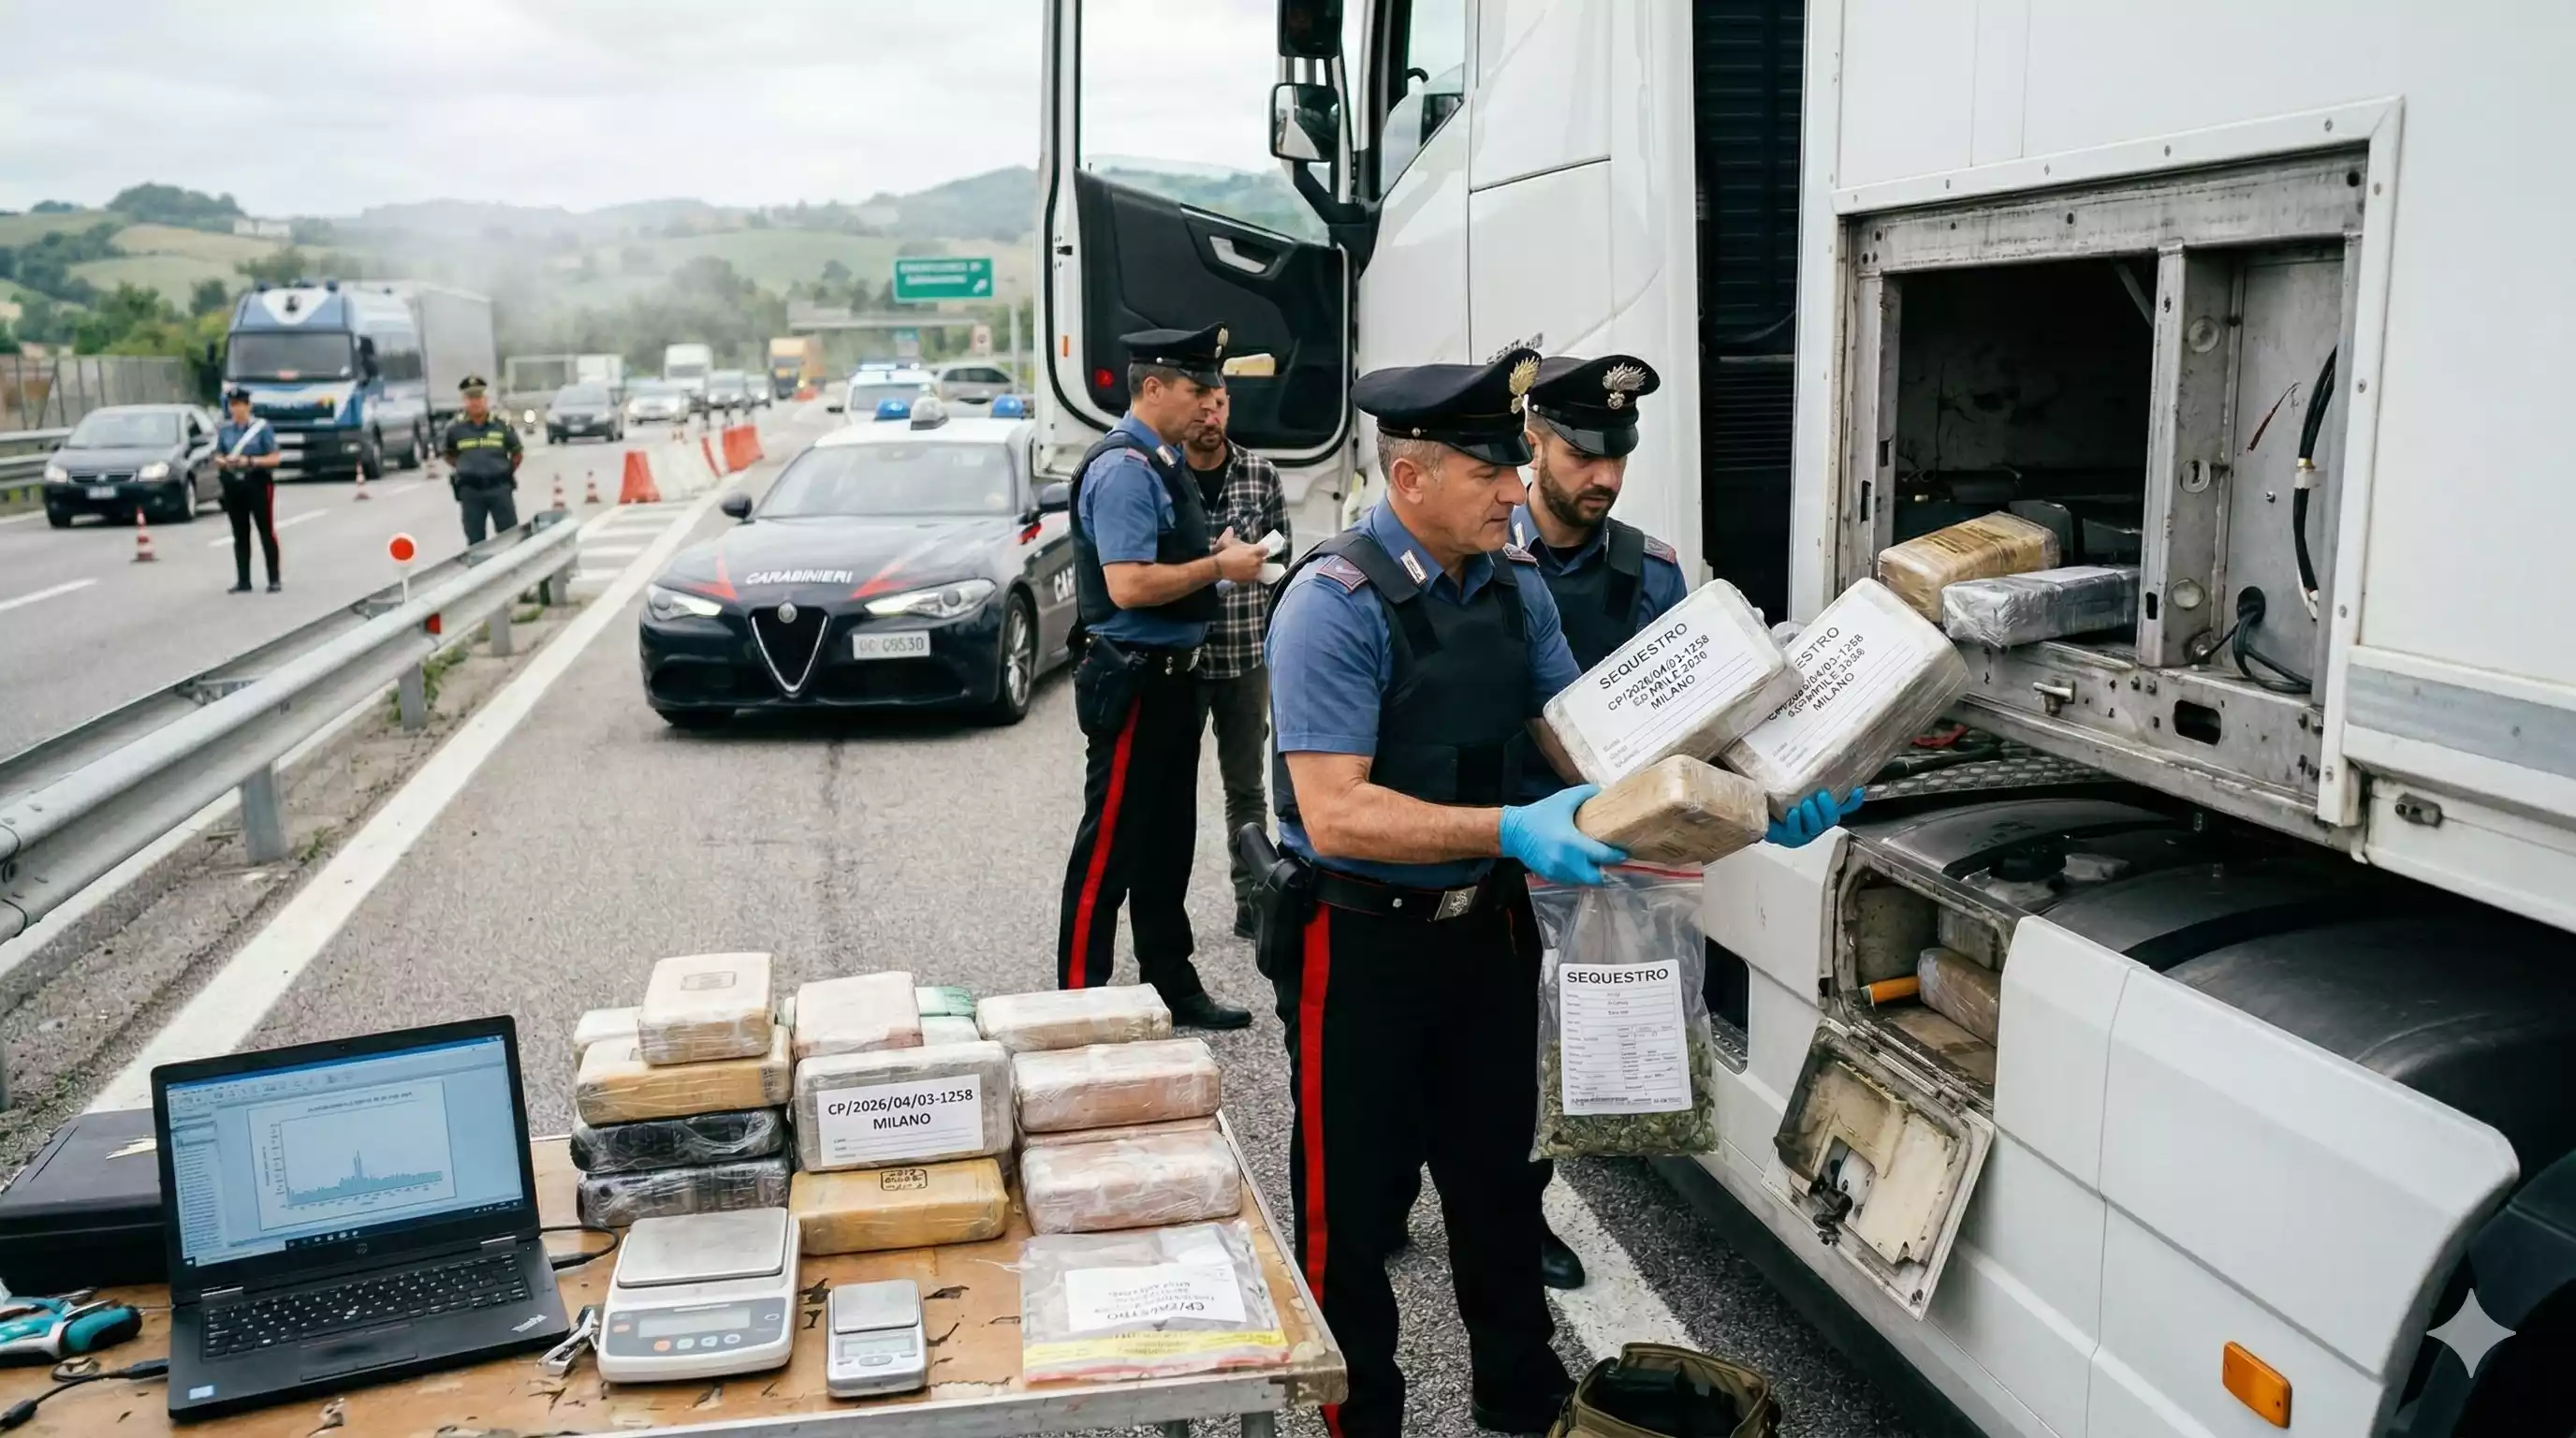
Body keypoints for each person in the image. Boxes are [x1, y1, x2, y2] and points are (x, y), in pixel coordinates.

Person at [1257, 350, 1859, 1437]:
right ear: (1411, 480)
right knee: (1345, 1216)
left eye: (1510, 465)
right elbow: (1336, 811)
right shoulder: (1333, 605)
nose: (1511, 490)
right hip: (1358, 947)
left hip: (1487, 934)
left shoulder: (1514, 585)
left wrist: (1757, 794)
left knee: (1500, 1183)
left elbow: (1589, 748)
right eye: (1489, 471)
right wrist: (1509, 828)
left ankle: (1522, 1405)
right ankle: (1363, 1422)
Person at [1056, 325, 1267, 1032]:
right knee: (1109, 845)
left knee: (1167, 843)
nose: (1208, 402)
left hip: (1175, 678)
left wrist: (1210, 552)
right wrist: (1219, 567)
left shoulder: (1161, 459)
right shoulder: (1125, 468)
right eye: (1196, 389)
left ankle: (1171, 984)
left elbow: (1158, 555)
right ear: (1153, 388)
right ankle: (1081, 1001)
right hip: (1135, 679)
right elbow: (1128, 585)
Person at [1181, 381, 1288, 941]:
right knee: (1172, 789)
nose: (1210, 417)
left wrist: (1253, 560)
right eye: (1200, 407)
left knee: (1246, 788)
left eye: (1219, 406)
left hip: (1246, 654)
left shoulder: (1260, 474)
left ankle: (1251, 901)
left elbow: (1283, 559)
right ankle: (1166, 912)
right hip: (1180, 659)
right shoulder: (1164, 474)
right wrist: (1214, 563)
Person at [213, 386, 283, 594]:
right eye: (232, 405)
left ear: (248, 406)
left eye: (239, 405)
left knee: (265, 531)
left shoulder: (261, 429)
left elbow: (275, 458)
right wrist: (224, 461)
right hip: (234, 485)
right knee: (240, 533)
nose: (236, 410)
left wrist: (250, 461)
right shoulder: (225, 430)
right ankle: (243, 580)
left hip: (257, 482)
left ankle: (274, 578)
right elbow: (218, 454)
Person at [441, 374, 522, 543]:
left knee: (510, 538)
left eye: (478, 397)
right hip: (471, 491)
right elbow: (448, 455)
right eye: (470, 398)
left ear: (485, 399)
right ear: (464, 400)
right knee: (475, 540)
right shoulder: (455, 429)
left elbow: (517, 453)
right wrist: (467, 467)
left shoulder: (501, 426)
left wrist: (502, 470)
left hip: (499, 488)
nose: (475, 402)